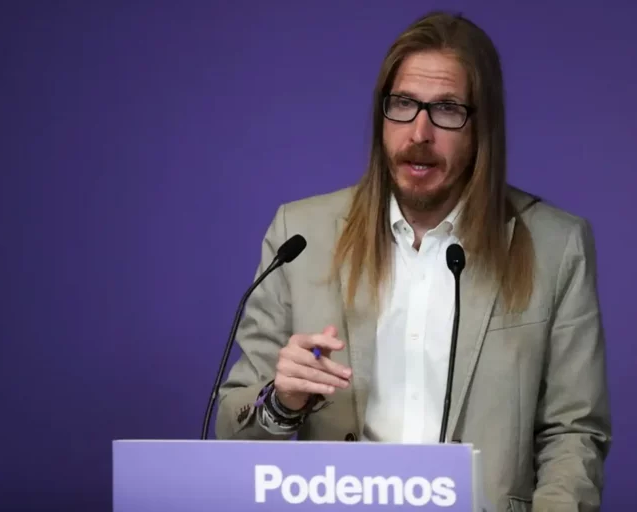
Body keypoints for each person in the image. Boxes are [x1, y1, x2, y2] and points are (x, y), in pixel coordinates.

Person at [214, 10, 611, 512]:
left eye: (446, 109)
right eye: (402, 105)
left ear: (481, 126)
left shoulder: (558, 245)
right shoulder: (301, 234)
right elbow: (232, 431)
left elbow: (573, 434)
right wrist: (281, 401)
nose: (419, 132)